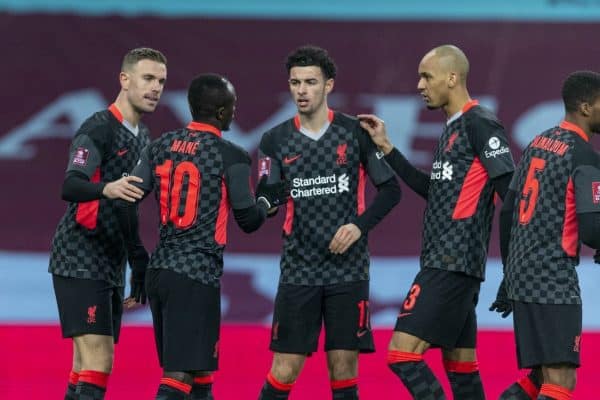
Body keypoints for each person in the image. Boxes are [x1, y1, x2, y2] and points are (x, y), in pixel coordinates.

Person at [116, 73, 289, 400]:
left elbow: (126, 200)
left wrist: (138, 255)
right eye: (233, 106)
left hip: (160, 271)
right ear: (223, 113)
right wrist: (268, 201)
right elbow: (248, 221)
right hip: (195, 275)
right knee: (179, 376)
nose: (235, 113)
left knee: (199, 375)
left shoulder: (159, 146)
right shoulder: (231, 155)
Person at [359, 44, 516, 399]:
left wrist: (513, 268)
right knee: (461, 368)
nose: (419, 84)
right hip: (446, 263)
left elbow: (514, 197)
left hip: (452, 265)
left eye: (426, 76)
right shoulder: (452, 127)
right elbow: (435, 191)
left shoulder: (481, 124)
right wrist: (387, 148)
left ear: (452, 77)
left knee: (402, 354)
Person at [256, 45, 401, 400]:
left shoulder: (355, 133)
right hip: (299, 269)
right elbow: (267, 195)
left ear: (328, 85)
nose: (301, 91)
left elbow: (391, 191)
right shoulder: (274, 139)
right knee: (284, 370)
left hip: (348, 271)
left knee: (343, 370)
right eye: (295, 83)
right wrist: (263, 204)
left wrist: (358, 227)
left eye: (310, 82)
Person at [48, 47, 167, 400]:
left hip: (110, 261)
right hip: (80, 254)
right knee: (99, 359)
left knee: (85, 364)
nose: (156, 88)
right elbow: (70, 185)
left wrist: (137, 258)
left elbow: (127, 204)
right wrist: (106, 188)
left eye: (161, 81)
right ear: (124, 79)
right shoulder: (98, 127)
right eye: (148, 78)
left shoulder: (143, 137)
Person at [490, 71, 600, 400]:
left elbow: (508, 212)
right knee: (561, 381)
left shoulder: (538, 142)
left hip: (523, 275)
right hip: (553, 279)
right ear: (584, 106)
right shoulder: (584, 157)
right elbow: (592, 230)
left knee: (539, 377)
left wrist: (509, 275)